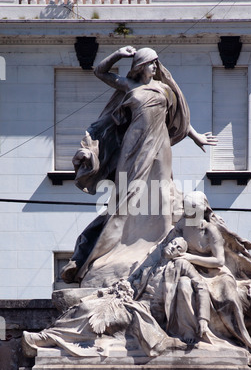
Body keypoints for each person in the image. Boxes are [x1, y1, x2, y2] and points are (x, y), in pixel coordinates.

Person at [61, 46, 217, 289]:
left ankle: (161, 240)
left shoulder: (164, 88)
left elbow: (177, 118)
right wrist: (119, 54)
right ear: (141, 66)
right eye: (151, 63)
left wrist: (196, 136)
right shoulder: (130, 86)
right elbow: (100, 72)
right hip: (133, 145)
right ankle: (118, 242)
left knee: (163, 191)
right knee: (129, 194)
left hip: (160, 143)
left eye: (156, 63)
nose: (155, 67)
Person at [22, 238, 211, 358]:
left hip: (146, 314)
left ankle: (49, 338)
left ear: (181, 254)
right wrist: (121, 288)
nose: (174, 247)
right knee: (87, 305)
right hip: (131, 304)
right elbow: (131, 283)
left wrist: (203, 318)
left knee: (93, 315)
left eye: (179, 248)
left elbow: (201, 285)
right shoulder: (150, 267)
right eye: (173, 243)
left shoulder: (180, 265)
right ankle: (50, 335)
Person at [165, 191, 251, 365]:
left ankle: (240, 339)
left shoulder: (210, 230)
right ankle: (190, 334)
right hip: (192, 272)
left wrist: (190, 258)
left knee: (229, 298)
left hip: (217, 273)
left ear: (203, 210)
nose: (190, 214)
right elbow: (168, 244)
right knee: (183, 286)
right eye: (187, 210)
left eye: (194, 210)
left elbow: (219, 260)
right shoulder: (182, 226)